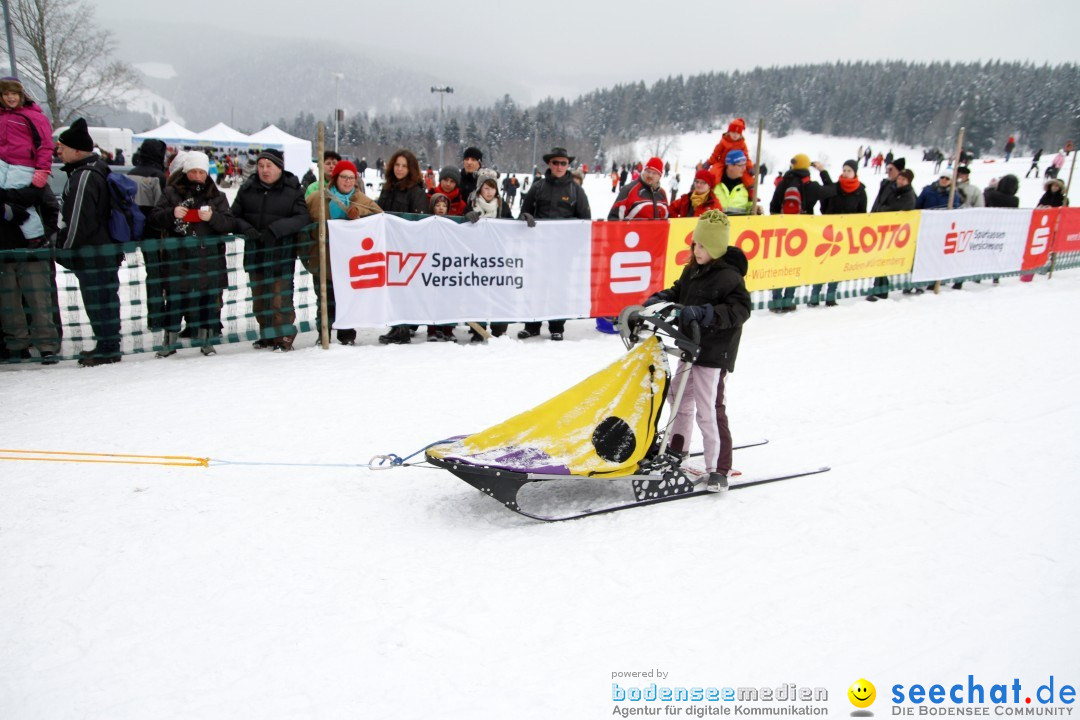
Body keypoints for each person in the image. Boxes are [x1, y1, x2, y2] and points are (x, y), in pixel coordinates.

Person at [642, 210, 751, 491]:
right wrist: (661, 299)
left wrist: (706, 313)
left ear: (715, 247)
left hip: (714, 353)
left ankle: (718, 468)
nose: (696, 248)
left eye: (702, 245)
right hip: (692, 349)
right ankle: (678, 449)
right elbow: (680, 292)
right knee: (678, 394)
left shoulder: (729, 277)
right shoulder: (693, 269)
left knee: (709, 409)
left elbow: (740, 309)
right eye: (695, 243)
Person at [148, 151, 235, 357]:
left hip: (208, 258)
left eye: (201, 172)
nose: (197, 176)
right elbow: (153, 219)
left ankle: (206, 340)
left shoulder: (217, 196)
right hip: (178, 259)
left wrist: (212, 218)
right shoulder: (171, 193)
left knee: (207, 300)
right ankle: (169, 342)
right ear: (186, 172)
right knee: (175, 300)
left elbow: (229, 223)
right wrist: (172, 214)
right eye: (193, 171)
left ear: (207, 174)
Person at [54, 118, 123, 366]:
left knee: (98, 298)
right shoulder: (97, 169)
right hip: (104, 248)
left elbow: (77, 221)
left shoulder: (84, 176)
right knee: (105, 297)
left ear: (77, 149)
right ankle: (108, 344)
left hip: (93, 251)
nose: (58, 151)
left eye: (62, 147)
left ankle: (107, 346)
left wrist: (61, 249)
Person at [230, 148, 311, 352]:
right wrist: (245, 228)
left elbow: (302, 217)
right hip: (255, 254)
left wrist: (276, 229)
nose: (265, 170)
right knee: (259, 299)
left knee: (279, 298)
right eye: (261, 166)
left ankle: (283, 336)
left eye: (269, 166)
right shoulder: (247, 188)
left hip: (281, 255)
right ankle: (266, 334)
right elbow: (233, 215)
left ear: (279, 168)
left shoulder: (293, 190)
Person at [303, 159, 382, 346]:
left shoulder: (363, 201)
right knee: (324, 297)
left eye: (351, 178)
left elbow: (379, 220)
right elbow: (304, 223)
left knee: (347, 298)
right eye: (343, 177)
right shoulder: (317, 199)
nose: (347, 181)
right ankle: (324, 333)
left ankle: (347, 334)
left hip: (350, 262)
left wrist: (360, 216)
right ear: (335, 178)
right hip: (324, 258)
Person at [517, 147, 591, 341]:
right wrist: (525, 217)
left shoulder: (576, 191)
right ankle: (532, 325)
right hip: (538, 248)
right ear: (549, 164)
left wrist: (573, 249)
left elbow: (585, 222)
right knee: (535, 286)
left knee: (559, 289)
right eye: (556, 162)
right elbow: (523, 213)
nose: (559, 166)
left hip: (563, 252)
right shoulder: (538, 187)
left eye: (563, 163)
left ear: (568, 165)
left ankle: (557, 326)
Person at [0, 76, 53, 246]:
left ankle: (35, 236)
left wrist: (42, 170)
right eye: (6, 93)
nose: (10, 98)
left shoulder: (33, 116)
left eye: (14, 93)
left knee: (19, 198)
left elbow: (45, 145)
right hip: (3, 161)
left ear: (21, 95)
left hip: (23, 164)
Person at [768, 153, 824, 312]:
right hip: (802, 232)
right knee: (795, 266)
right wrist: (822, 171)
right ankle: (788, 300)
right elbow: (831, 190)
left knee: (780, 265)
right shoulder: (810, 185)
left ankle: (776, 301)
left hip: (782, 230)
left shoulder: (783, 182)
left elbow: (773, 205)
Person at [463, 168, 512, 341]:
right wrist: (465, 217)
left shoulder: (502, 205)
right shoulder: (471, 204)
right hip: (476, 257)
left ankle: (499, 329)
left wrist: (523, 219)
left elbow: (511, 225)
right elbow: (460, 228)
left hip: (497, 257)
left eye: (493, 187)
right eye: (486, 187)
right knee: (478, 292)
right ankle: (478, 329)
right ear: (479, 189)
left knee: (499, 291)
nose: (490, 191)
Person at [811, 159, 867, 307]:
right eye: (844, 170)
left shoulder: (860, 191)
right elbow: (826, 193)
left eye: (849, 171)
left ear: (855, 173)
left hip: (846, 234)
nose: (846, 173)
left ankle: (831, 295)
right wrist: (822, 171)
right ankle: (815, 295)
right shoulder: (836, 187)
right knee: (822, 263)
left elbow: (862, 213)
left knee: (837, 265)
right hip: (828, 232)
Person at [376, 149, 428, 216]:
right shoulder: (387, 187)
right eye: (397, 165)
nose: (399, 169)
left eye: (404, 166)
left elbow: (419, 221)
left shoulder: (417, 193)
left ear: (411, 169)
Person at [712, 151, 757, 216]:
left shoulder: (747, 186)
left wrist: (754, 209)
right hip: (716, 225)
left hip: (740, 225)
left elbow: (749, 206)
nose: (744, 168)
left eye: (745, 165)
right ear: (730, 166)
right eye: (740, 165)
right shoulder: (715, 184)